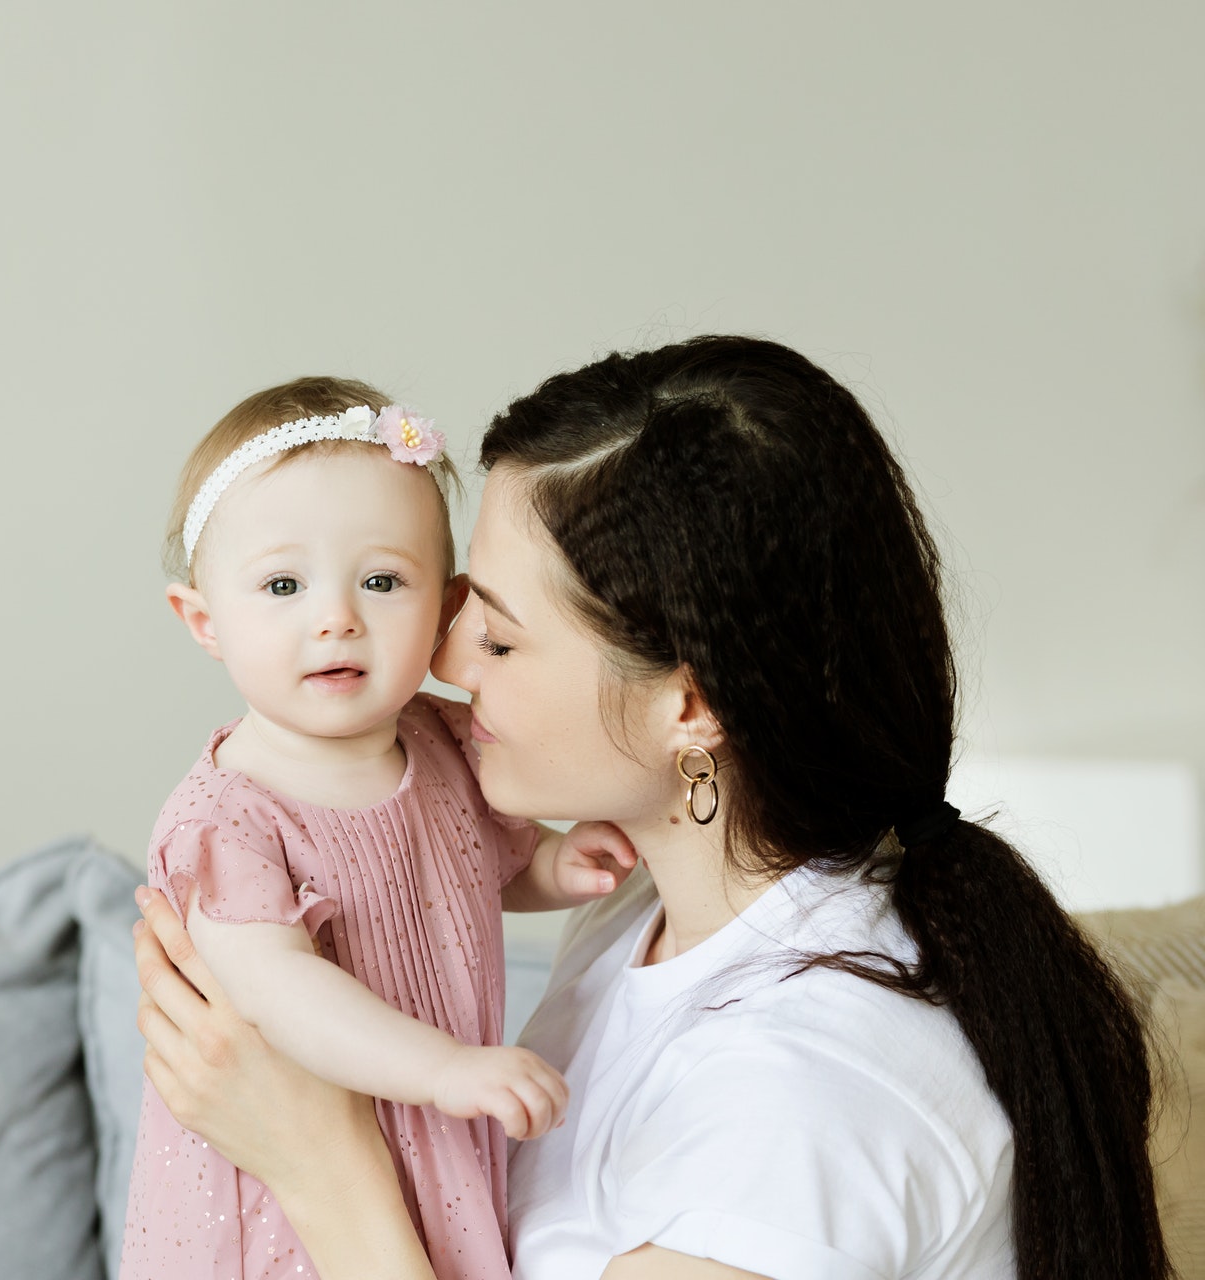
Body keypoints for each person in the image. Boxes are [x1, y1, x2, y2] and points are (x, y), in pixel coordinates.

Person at [131, 338, 1170, 1279]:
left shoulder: (796, 1106)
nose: (439, 662)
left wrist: (321, 1162)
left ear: (688, 702)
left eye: (494, 635)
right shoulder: (649, 911)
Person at [123, 377, 638, 1280]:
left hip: (430, 1140)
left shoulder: (442, 742)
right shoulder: (226, 819)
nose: (336, 617)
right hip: (283, 1179)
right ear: (203, 621)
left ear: (446, 609)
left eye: (382, 580)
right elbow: (277, 990)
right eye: (283, 584)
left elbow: (473, 869)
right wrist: (443, 1068)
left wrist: (556, 865)